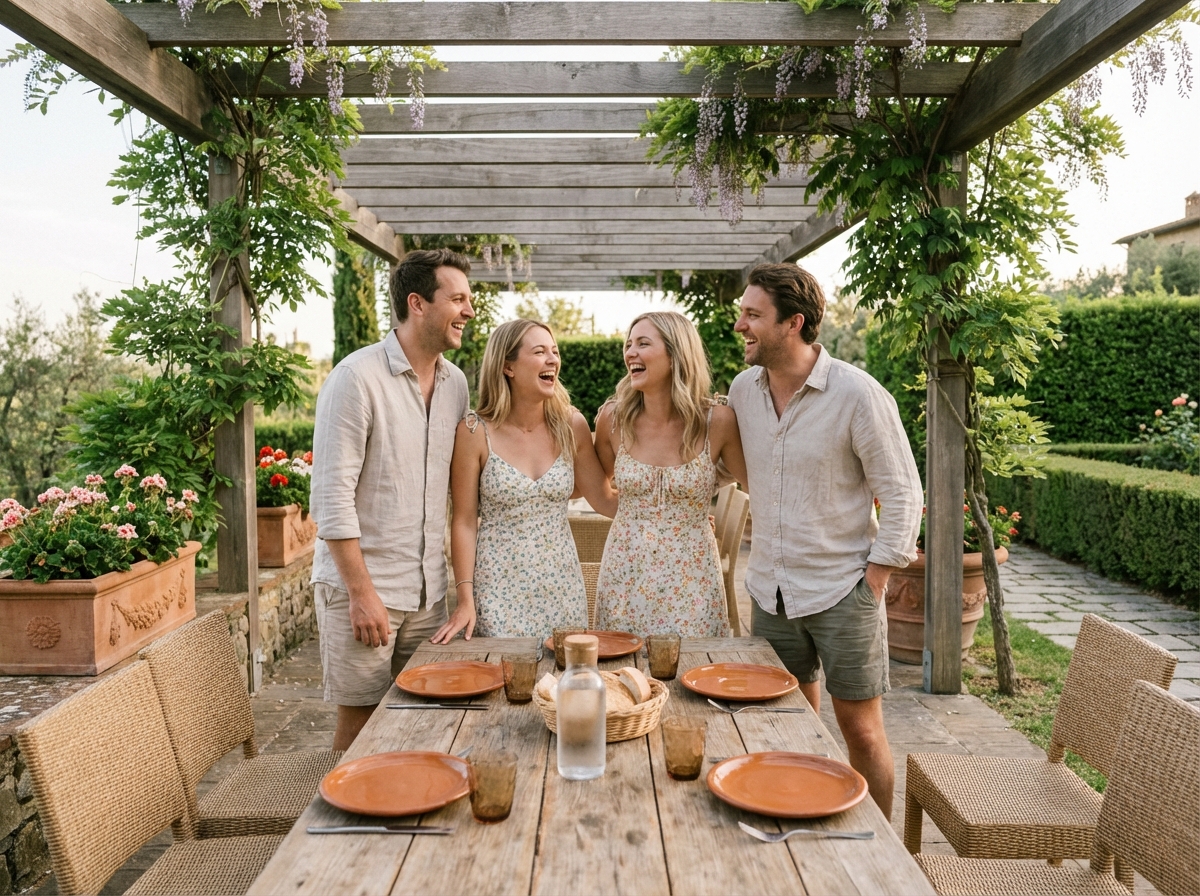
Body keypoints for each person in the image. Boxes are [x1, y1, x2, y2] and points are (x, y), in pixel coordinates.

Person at [727, 262, 922, 819]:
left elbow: (904, 492)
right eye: (742, 312)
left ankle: (878, 854)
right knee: (790, 728)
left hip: (843, 594)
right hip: (771, 594)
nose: (740, 324)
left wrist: (876, 578)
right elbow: (728, 466)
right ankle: (803, 836)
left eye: (752, 314)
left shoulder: (857, 394)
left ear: (794, 323)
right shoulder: (743, 391)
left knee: (860, 731)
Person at [310, 248, 474, 751]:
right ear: (417, 303)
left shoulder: (456, 385)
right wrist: (361, 593)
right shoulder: (355, 379)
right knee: (359, 728)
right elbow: (330, 499)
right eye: (459, 299)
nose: (469, 311)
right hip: (365, 590)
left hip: (428, 595)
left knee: (420, 722)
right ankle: (346, 829)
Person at [431, 319, 616, 642]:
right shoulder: (474, 431)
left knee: (560, 684)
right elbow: (463, 522)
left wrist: (677, 515)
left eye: (555, 352)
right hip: (497, 589)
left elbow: (604, 499)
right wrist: (465, 599)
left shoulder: (571, 425)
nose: (552, 360)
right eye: (540, 351)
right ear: (508, 367)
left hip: (562, 588)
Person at [593, 311, 748, 638]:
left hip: (692, 576)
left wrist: (685, 516)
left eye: (643, 343)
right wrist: (642, 520)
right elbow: (598, 488)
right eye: (629, 344)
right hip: (626, 573)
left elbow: (756, 485)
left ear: (677, 354)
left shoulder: (717, 421)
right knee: (623, 673)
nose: (629, 352)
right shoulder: (612, 419)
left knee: (694, 672)